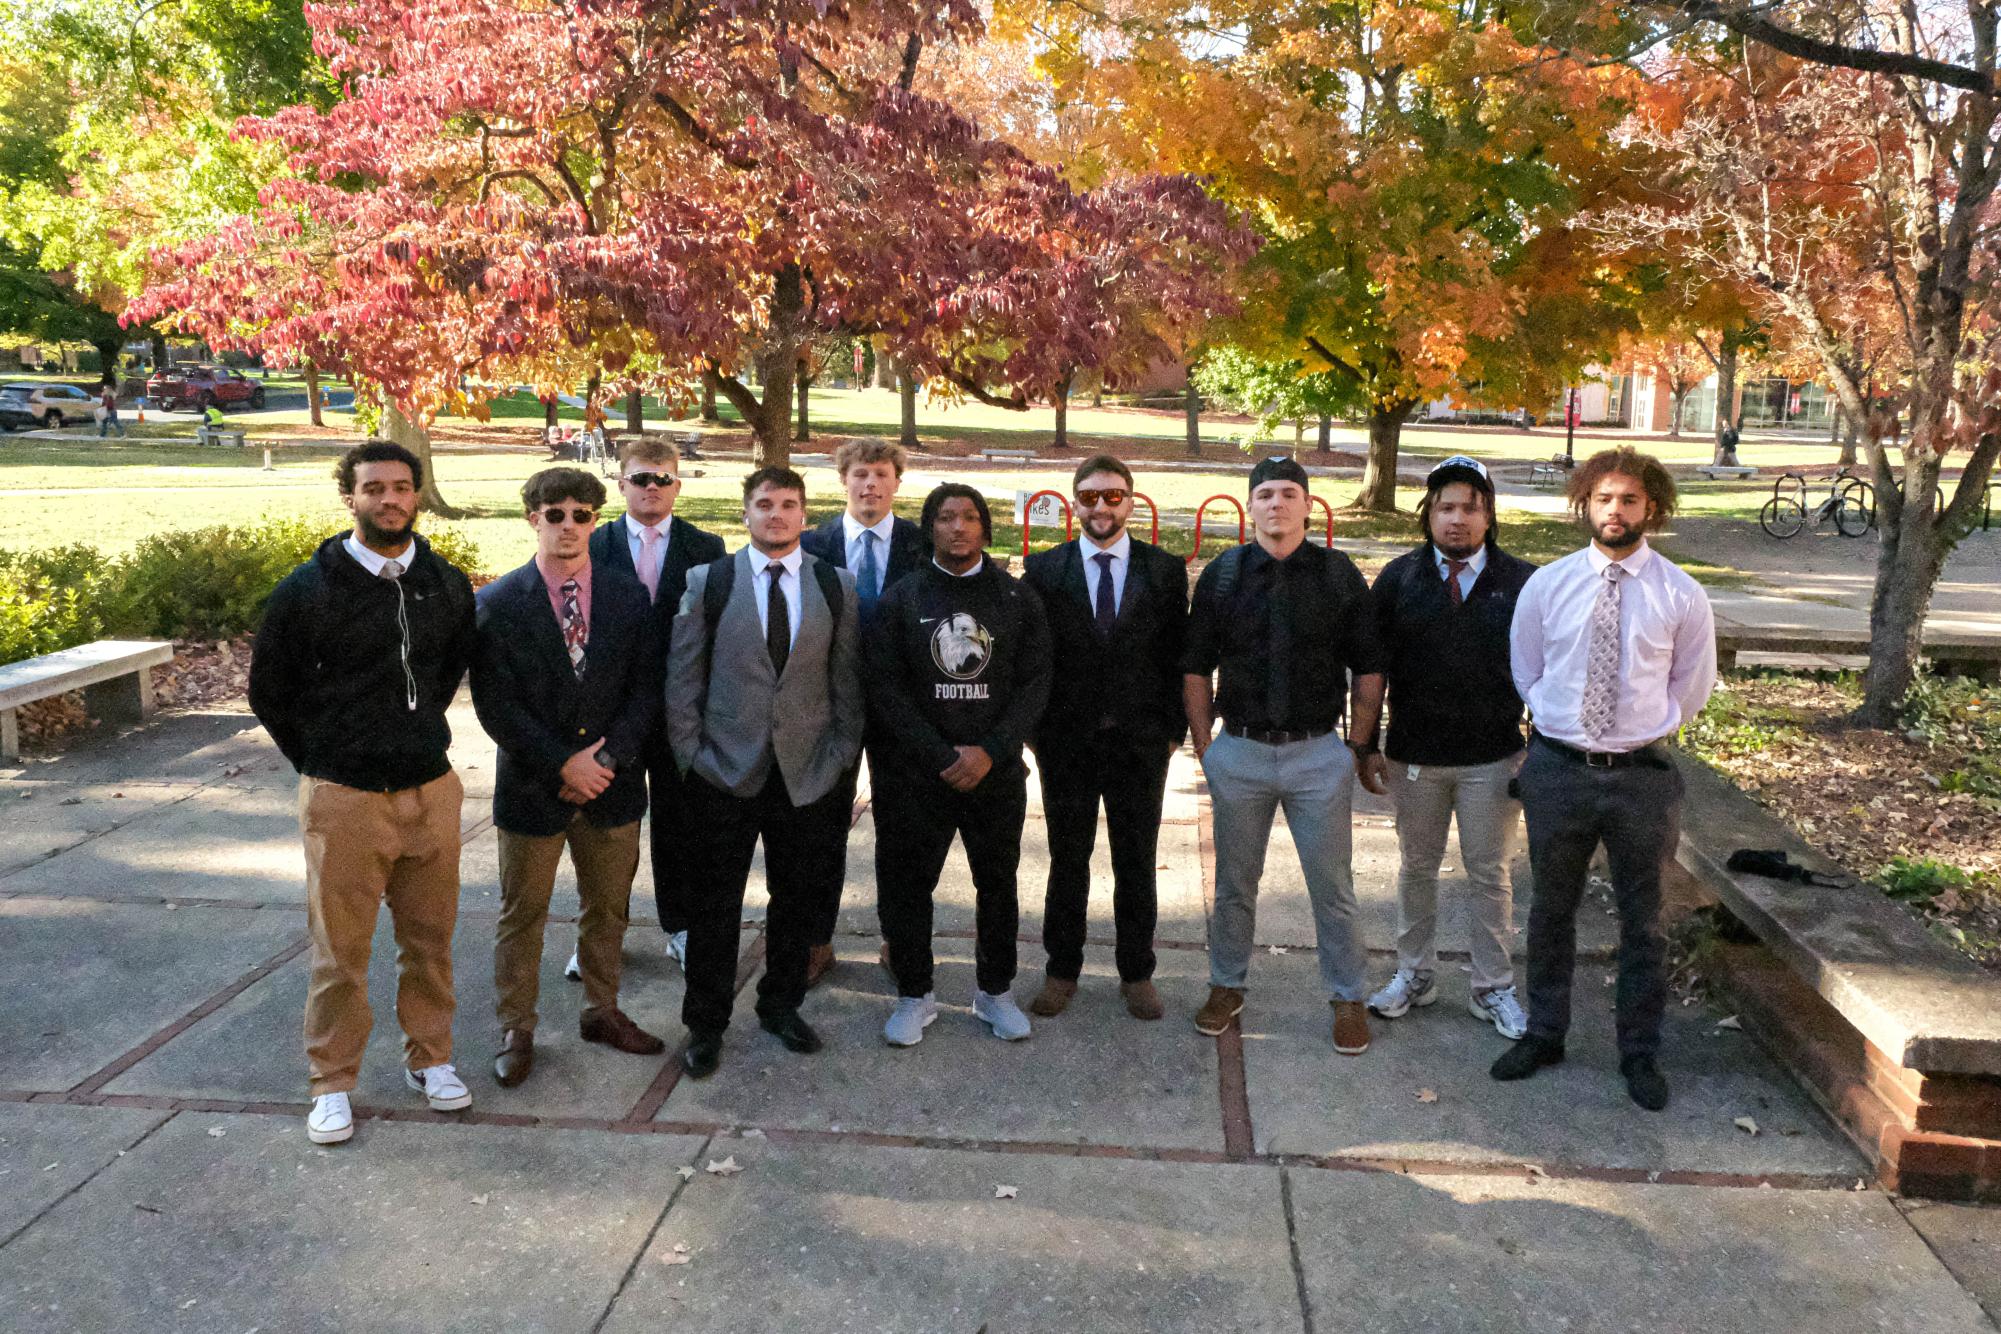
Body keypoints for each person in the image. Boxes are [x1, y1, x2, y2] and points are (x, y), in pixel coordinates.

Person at [247, 440, 478, 1146]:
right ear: (349, 496)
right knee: (340, 954)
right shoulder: (306, 591)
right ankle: (332, 1082)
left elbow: (443, 677)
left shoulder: (444, 583)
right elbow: (269, 692)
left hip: (430, 791)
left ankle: (431, 1058)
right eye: (374, 487)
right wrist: (322, 762)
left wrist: (410, 740)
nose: (390, 499)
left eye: (402, 487)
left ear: (416, 495)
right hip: (345, 796)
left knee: (430, 942)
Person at [1492, 447, 1716, 1111]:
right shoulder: (1547, 585)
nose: (1614, 511)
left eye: (1628, 500)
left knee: (1643, 920)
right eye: (1602, 499)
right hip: (1557, 770)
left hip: (1639, 777)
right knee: (1549, 910)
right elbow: (1526, 670)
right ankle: (1544, 1032)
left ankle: (1639, 1052)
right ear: (1583, 504)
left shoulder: (1679, 593)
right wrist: (1565, 728)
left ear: (1651, 508)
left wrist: (1639, 729)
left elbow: (1691, 686)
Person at [1182, 456, 1385, 1055]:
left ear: (1307, 504)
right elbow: (1194, 667)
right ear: (1251, 506)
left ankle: (1347, 996)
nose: (1277, 504)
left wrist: (1356, 746)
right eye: (1266, 493)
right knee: (1234, 886)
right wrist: (1205, 749)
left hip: (1317, 754)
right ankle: (1226, 985)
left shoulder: (1337, 574)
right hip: (1240, 752)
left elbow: (1368, 666)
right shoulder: (1223, 575)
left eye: (1289, 493)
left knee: (1333, 887)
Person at [471, 467, 666, 1089]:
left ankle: (601, 1010)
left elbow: (646, 689)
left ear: (595, 521)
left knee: (608, 909)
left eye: (582, 515)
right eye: (555, 514)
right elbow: (497, 705)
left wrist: (605, 762)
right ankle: (516, 1026)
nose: (569, 526)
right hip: (535, 787)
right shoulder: (498, 603)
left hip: (612, 787)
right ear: (533, 518)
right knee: (522, 913)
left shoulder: (627, 595)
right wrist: (561, 763)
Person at [667, 467, 864, 1077]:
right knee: (714, 906)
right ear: (745, 513)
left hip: (808, 773)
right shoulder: (711, 582)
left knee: (797, 901)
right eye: (764, 505)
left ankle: (781, 1005)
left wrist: (839, 757)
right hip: (724, 771)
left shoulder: (835, 585)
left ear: (804, 514)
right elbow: (683, 679)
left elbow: (847, 681)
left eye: (787, 505)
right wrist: (693, 757)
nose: (776, 515)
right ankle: (705, 1024)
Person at [868, 484, 1052, 1046]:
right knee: (908, 886)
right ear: (930, 528)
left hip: (994, 775)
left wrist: (991, 751)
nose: (957, 527)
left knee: (996, 884)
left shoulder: (1017, 599)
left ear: (985, 529)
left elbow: (1034, 684)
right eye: (945, 517)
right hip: (917, 776)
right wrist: (941, 755)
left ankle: (994, 992)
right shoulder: (902, 599)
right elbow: (887, 688)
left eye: (969, 517)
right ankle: (914, 994)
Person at [1363, 456, 1536, 1040]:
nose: (1456, 519)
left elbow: (1547, 669)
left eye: (1470, 507)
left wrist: (1538, 744)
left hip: (1494, 758)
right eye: (1445, 507)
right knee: (1416, 868)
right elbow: (1371, 669)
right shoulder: (1399, 579)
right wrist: (1364, 744)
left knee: (1490, 874)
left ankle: (1492, 988)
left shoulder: (1522, 582)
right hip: (1415, 758)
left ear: (1489, 515)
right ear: (1428, 514)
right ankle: (1415, 975)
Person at [1021, 454, 1187, 1021]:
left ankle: (1136, 972)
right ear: (1075, 503)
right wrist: (1037, 734)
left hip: (1141, 743)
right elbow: (1032, 659)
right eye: (1089, 496)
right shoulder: (1044, 570)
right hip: (1065, 743)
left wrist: (1173, 731)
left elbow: (1175, 657)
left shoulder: (1163, 571)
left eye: (1113, 496)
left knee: (1135, 860)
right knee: (1068, 859)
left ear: (1131, 501)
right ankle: (1060, 970)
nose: (1101, 506)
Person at [577, 439, 725, 972]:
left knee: (680, 824)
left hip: (679, 709)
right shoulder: (593, 544)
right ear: (621, 485)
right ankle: (598, 937)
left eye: (663, 479)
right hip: (609, 713)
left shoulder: (706, 547)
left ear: (678, 486)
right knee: (605, 832)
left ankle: (681, 926)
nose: (652, 488)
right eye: (641, 479)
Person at [798, 437, 926, 984]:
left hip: (905, 709)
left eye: (880, 474)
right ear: (842, 481)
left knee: (903, 832)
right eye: (859, 475)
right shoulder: (810, 545)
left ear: (897, 483)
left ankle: (899, 941)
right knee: (822, 827)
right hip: (829, 705)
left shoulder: (924, 547)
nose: (869, 484)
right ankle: (815, 941)